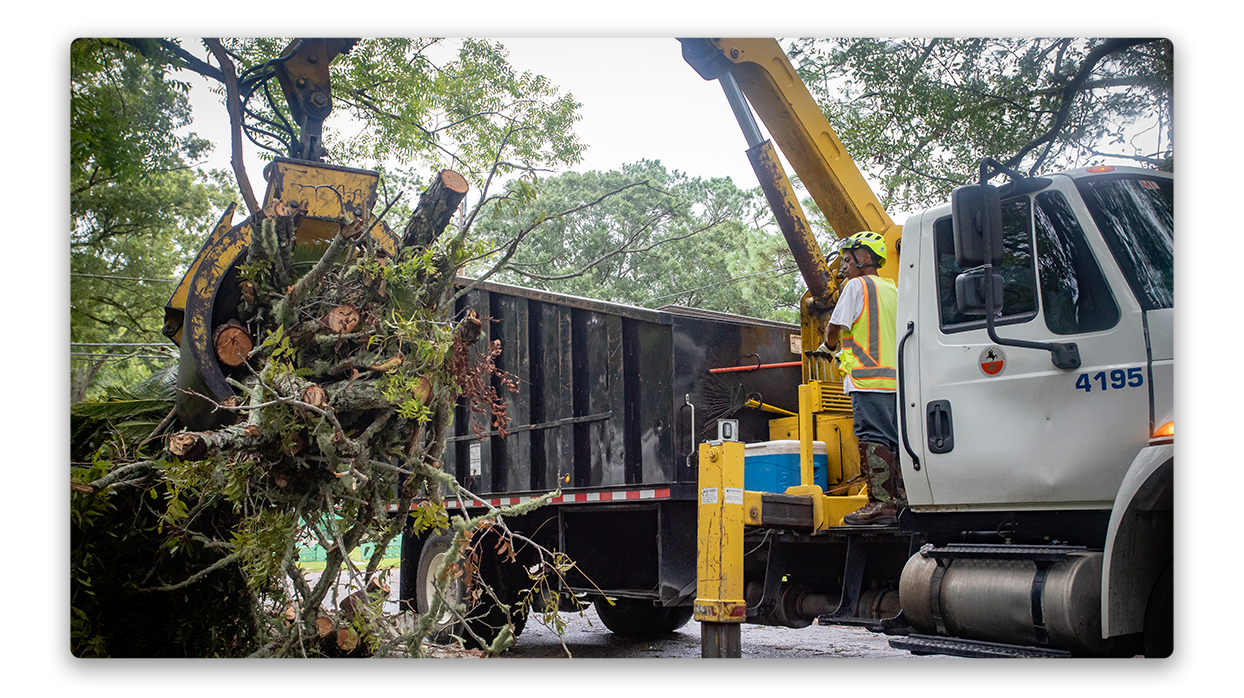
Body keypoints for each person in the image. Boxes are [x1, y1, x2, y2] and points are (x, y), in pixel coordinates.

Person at [823, 231, 906, 525]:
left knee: (873, 437)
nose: (843, 266)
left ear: (866, 258)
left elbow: (835, 328)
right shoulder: (893, 289)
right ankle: (902, 503)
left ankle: (880, 503)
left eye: (848, 259)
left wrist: (828, 346)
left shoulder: (857, 286)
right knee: (896, 440)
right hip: (897, 381)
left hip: (868, 380)